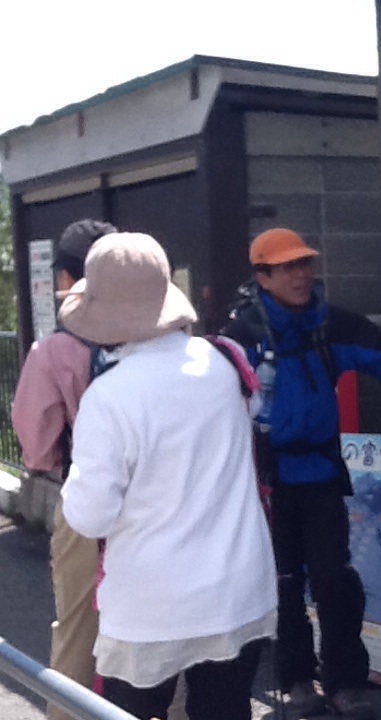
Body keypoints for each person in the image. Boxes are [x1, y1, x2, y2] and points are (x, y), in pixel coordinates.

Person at [58, 232, 277, 720]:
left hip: (151, 605)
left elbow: (91, 517)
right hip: (237, 587)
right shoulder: (225, 361)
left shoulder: (109, 397)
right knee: (224, 710)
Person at [221, 228, 381, 719]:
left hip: (320, 472)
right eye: (287, 267)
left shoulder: (331, 323)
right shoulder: (242, 337)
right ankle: (296, 677)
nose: (301, 275)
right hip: (268, 479)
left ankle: (345, 680)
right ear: (262, 277)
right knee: (283, 582)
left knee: (333, 578)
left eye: (304, 264)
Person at [12, 218, 117, 720]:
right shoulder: (160, 334)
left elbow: (36, 449)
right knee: (160, 638)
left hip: (86, 500)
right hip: (159, 502)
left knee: (77, 631)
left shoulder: (56, 348)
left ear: (66, 278)